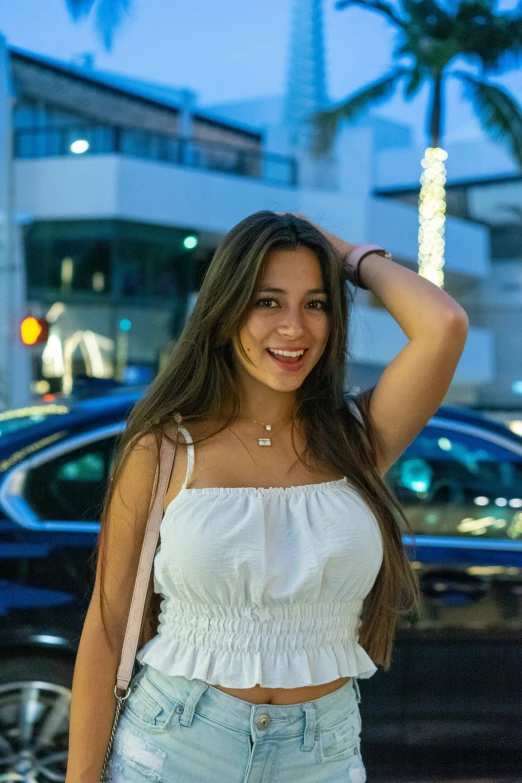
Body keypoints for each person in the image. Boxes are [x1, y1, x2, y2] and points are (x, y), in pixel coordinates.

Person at [66, 210, 469, 782]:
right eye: (267, 301)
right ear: (226, 311)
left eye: (316, 303)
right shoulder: (162, 450)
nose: (294, 329)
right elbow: (108, 624)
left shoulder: (356, 439)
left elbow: (444, 324)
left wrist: (346, 254)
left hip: (321, 754)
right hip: (177, 744)